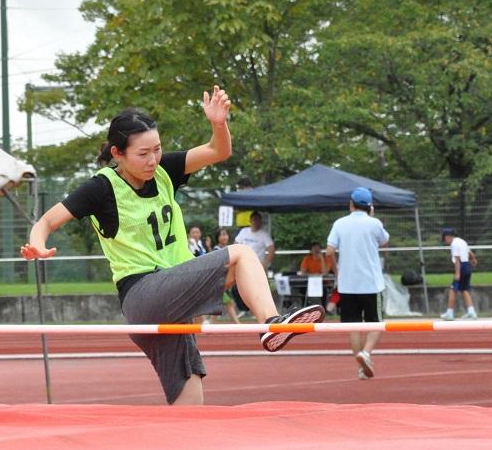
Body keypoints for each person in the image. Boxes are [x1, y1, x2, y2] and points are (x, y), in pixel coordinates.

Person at [21, 87, 324, 406]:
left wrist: (219, 125)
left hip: (173, 294)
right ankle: (270, 323)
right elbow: (46, 222)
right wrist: (37, 245)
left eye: (157, 149)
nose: (153, 160)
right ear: (117, 153)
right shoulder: (101, 188)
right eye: (142, 154)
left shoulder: (165, 170)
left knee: (189, 388)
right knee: (241, 254)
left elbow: (217, 151)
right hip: (143, 295)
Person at [326, 187, 389, 380]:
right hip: (371, 284)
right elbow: (385, 241)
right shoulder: (374, 223)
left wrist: (337, 271)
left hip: (348, 285)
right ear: (369, 206)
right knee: (377, 324)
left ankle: (361, 367)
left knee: (353, 326)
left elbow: (329, 251)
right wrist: (371, 217)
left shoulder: (339, 223)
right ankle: (366, 353)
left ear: (351, 204)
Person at [440, 228, 478, 320]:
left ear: (448, 236)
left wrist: (457, 273)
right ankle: (471, 312)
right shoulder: (461, 241)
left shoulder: (454, 244)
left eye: (445, 238)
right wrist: (473, 259)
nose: (445, 241)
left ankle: (449, 313)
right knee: (464, 289)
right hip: (467, 266)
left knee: (452, 290)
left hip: (461, 267)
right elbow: (469, 252)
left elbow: (457, 260)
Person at [212, 228, 241, 323]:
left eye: (226, 234)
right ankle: (238, 324)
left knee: (218, 303)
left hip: (226, 280)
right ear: (218, 237)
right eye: (222, 235)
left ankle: (210, 323)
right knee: (229, 303)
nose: (224, 237)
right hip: (218, 280)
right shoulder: (217, 249)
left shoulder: (229, 248)